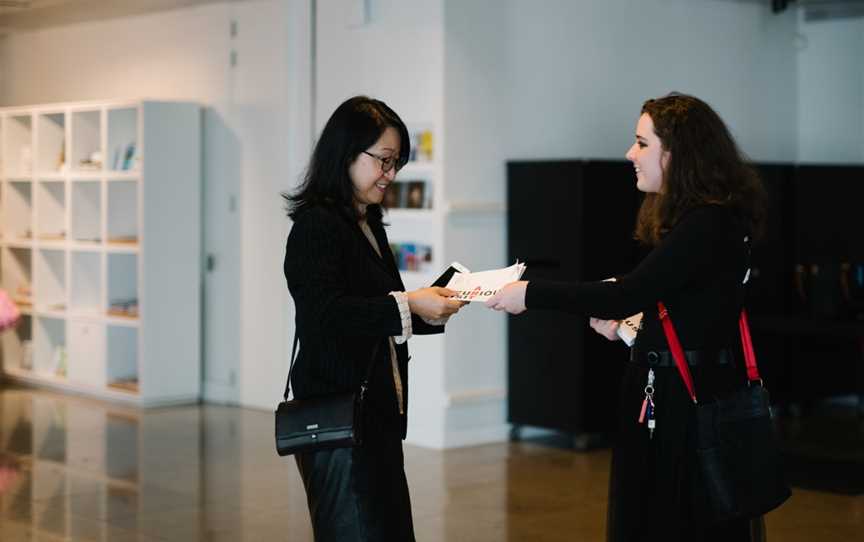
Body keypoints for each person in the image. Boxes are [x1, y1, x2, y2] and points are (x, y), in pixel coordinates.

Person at [486, 93, 770, 542]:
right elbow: (672, 302)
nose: (629, 154)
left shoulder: (708, 224)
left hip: (687, 406)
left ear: (675, 153)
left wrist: (529, 293)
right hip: (683, 396)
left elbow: (631, 293)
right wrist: (630, 325)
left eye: (641, 143)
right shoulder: (707, 221)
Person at [283, 95, 464, 541]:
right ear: (345, 154)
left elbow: (381, 311)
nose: (391, 175)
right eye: (383, 161)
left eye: (396, 163)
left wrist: (437, 305)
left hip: (375, 414)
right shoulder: (316, 226)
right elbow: (321, 318)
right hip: (339, 415)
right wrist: (409, 304)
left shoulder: (367, 222)